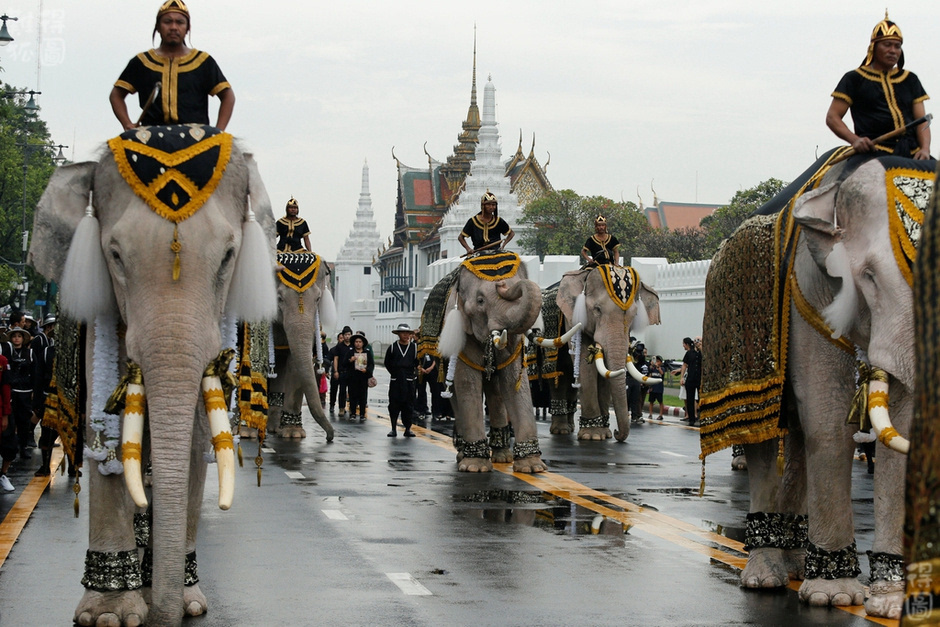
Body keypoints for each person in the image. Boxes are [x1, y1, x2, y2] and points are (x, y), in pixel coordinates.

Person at [110, 0, 235, 131]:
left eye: (180, 22)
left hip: (196, 137)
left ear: (187, 28)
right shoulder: (142, 62)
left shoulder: (203, 62)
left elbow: (228, 96)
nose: (174, 27)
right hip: (152, 136)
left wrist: (219, 131)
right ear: (158, 27)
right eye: (167, 22)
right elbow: (116, 95)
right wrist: (127, 123)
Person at [826, 13, 931, 160]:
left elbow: (922, 120)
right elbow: (832, 117)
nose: (893, 50)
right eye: (887, 45)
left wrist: (925, 149)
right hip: (873, 151)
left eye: (897, 46)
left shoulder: (910, 79)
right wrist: (855, 140)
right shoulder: (854, 79)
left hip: (912, 152)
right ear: (874, 48)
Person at [4, 327, 37, 462]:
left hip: (25, 392)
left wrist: (35, 391)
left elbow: (35, 372)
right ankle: (11, 447)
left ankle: (23, 446)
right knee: (11, 422)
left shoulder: (29, 353)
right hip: (11, 391)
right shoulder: (7, 353)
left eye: (19, 336)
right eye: (14, 336)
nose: (16, 339)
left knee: (24, 421)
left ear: (23, 339)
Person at [384, 324, 418, 437]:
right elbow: (387, 362)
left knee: (409, 405)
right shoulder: (393, 347)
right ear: (398, 334)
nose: (406, 335)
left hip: (409, 380)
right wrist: (395, 373)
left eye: (408, 333)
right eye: (403, 333)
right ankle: (393, 428)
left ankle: (408, 428)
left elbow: (417, 362)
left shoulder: (414, 347)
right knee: (394, 404)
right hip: (396, 380)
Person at [673, 337, 702, 426]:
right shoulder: (689, 353)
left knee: (701, 398)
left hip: (700, 379)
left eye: (699, 341)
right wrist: (682, 377)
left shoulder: (704, 353)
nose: (697, 343)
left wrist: (701, 348)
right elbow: (685, 365)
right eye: (696, 341)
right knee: (690, 398)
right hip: (691, 378)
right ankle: (691, 418)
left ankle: (701, 416)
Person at [346, 332, 373, 420]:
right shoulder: (350, 352)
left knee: (363, 396)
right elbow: (343, 363)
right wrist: (350, 360)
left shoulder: (367, 352)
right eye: (356, 342)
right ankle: (352, 413)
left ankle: (362, 414)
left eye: (360, 342)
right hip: (353, 377)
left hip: (363, 377)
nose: (358, 343)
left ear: (363, 343)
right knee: (353, 395)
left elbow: (371, 364)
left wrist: (367, 370)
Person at [330, 327, 353, 416]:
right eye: (346, 335)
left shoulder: (353, 346)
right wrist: (335, 371)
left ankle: (352, 408)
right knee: (342, 391)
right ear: (343, 336)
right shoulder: (339, 346)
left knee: (352, 391)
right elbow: (336, 358)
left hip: (351, 372)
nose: (347, 336)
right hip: (342, 371)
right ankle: (341, 408)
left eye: (349, 334)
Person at [0, 349, 13, 491]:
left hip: (1, 409)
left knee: (9, 446)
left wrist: (5, 414)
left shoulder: (2, 361)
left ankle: (3, 474)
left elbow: (5, 388)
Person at [647, 356, 666, 420]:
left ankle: (660, 415)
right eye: (656, 361)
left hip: (659, 388)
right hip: (653, 387)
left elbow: (662, 373)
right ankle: (650, 414)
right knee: (651, 401)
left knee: (660, 401)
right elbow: (649, 374)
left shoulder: (662, 368)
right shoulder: (653, 369)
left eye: (658, 361)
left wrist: (658, 367)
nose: (657, 362)